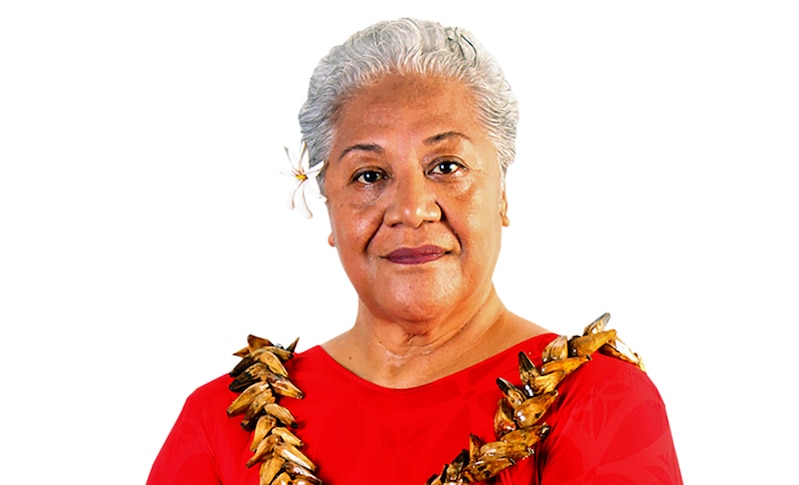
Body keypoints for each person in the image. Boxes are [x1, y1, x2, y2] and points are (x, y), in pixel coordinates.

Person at [147, 18, 682, 485]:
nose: (411, 209)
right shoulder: (225, 422)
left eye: (446, 167)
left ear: (502, 193)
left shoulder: (596, 405)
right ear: (328, 204)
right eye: (370, 175)